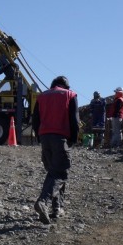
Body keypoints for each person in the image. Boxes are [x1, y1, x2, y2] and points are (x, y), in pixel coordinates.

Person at [32, 76, 80, 224]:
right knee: (60, 172)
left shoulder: (42, 96)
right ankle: (43, 201)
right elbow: (75, 120)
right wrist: (73, 139)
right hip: (60, 138)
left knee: (54, 172)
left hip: (45, 138)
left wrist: (40, 138)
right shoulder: (69, 95)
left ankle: (57, 208)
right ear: (66, 85)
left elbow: (35, 120)